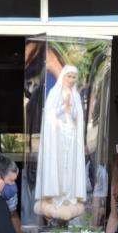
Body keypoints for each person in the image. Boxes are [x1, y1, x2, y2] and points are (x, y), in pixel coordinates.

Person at [35, 64, 87, 221]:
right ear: (63, 77)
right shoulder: (53, 93)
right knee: (57, 167)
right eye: (68, 76)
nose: (71, 80)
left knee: (70, 168)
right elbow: (50, 116)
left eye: (73, 77)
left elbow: (78, 116)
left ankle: (69, 196)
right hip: (57, 138)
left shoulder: (76, 95)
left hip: (71, 138)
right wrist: (63, 108)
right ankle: (55, 196)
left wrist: (72, 110)